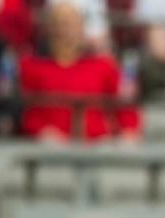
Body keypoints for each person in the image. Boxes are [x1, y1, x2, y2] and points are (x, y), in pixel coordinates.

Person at [18, 1, 139, 143]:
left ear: (81, 28)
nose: (66, 29)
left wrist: (127, 132)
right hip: (48, 151)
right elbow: (23, 112)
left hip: (98, 147)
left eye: (72, 23)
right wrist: (39, 130)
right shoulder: (30, 67)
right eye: (60, 23)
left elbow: (126, 108)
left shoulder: (104, 67)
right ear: (48, 29)